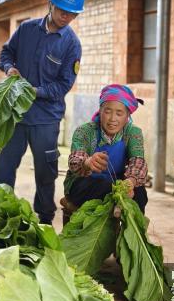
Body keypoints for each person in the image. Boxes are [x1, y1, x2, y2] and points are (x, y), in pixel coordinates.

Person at [0, 0, 86, 225]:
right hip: (14, 115)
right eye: (63, 10)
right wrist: (10, 67)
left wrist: (34, 91)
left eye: (73, 14)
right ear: (50, 4)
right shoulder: (26, 29)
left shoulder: (71, 45)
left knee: (46, 173)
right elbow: (6, 52)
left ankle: (44, 218)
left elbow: (64, 85)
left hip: (45, 119)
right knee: (3, 166)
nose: (66, 17)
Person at [62, 84, 148, 221]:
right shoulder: (85, 131)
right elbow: (75, 159)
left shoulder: (133, 133)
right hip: (85, 183)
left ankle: (131, 235)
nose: (112, 118)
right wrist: (87, 163)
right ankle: (117, 205)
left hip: (118, 182)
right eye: (107, 111)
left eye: (119, 113)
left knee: (140, 194)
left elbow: (138, 162)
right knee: (104, 187)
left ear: (127, 116)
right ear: (100, 110)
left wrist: (129, 183)